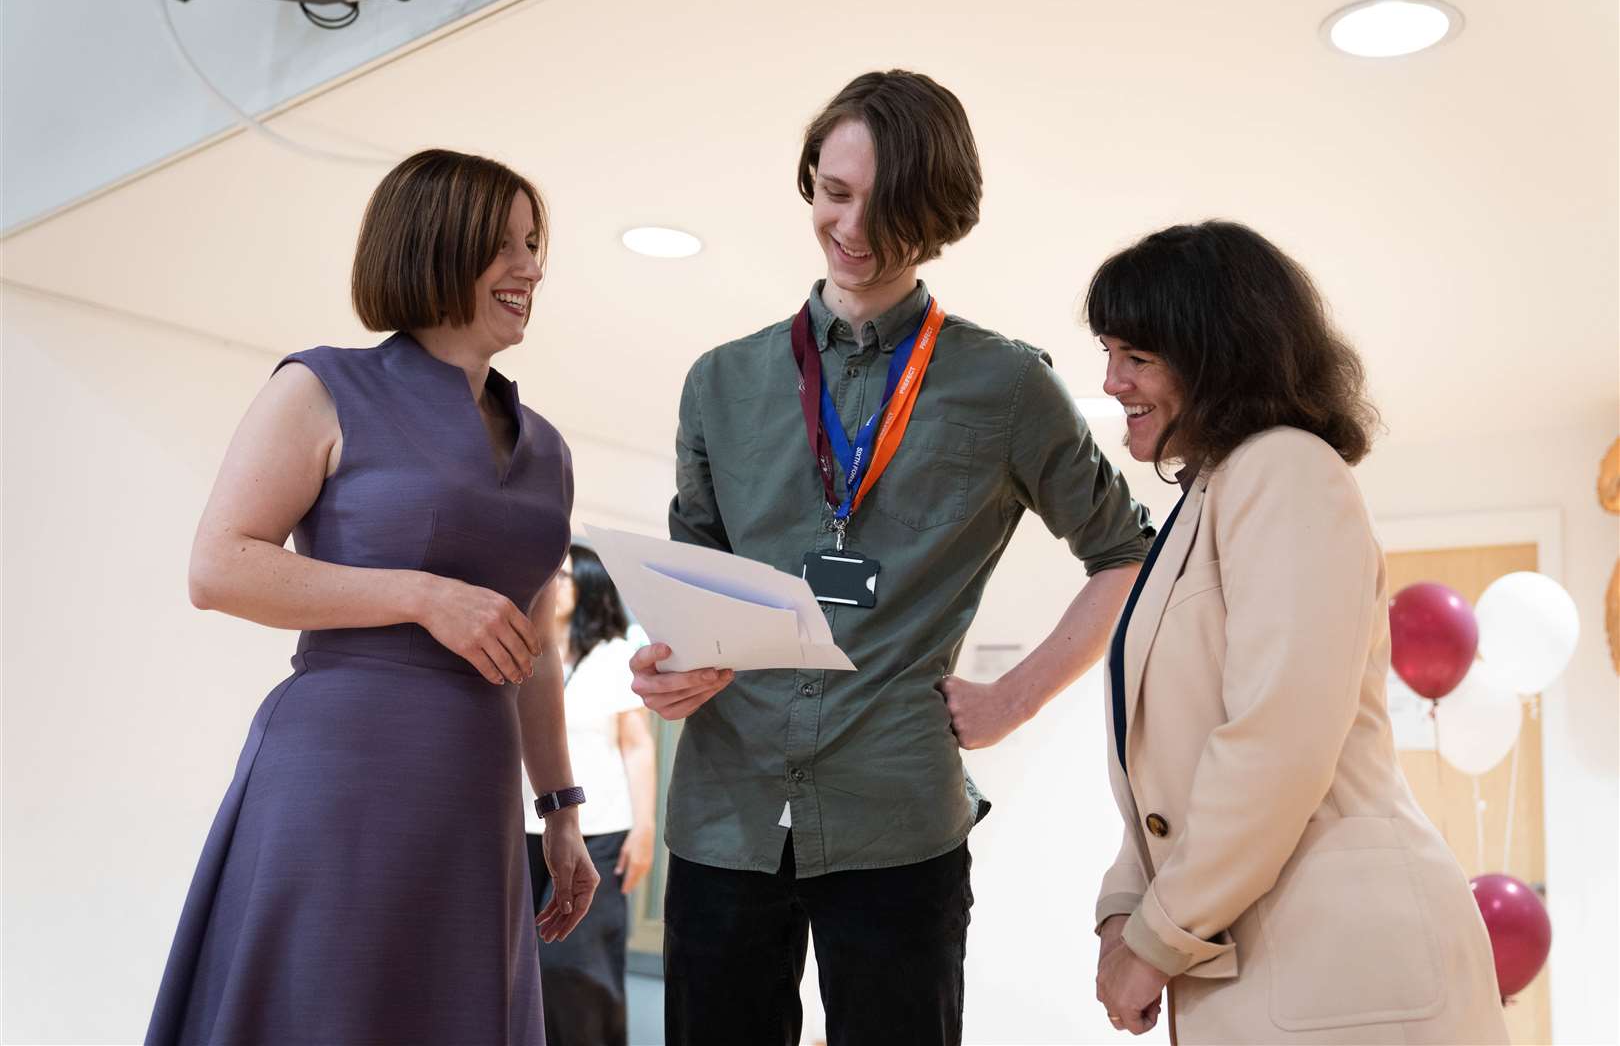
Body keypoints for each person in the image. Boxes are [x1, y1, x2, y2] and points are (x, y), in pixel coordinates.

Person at [630, 69, 1154, 1046]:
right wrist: (672, 663)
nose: (853, 229)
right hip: (722, 817)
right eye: (833, 193)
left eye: (887, 204)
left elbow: (1127, 556)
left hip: (899, 824)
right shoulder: (721, 383)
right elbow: (694, 587)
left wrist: (1016, 698)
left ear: (940, 209)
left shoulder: (1005, 384)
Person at [146, 148, 598, 1046]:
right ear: (436, 249)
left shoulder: (546, 448)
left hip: (475, 789)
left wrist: (561, 810)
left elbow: (536, 641)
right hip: (340, 770)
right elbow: (220, 565)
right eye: (504, 246)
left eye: (534, 245)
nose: (531, 268)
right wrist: (423, 596)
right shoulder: (321, 387)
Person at [1086, 220, 1509, 1043]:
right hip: (1278, 970)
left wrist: (1155, 936)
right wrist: (1123, 907)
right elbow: (1167, 771)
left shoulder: (1285, 468)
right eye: (1108, 352)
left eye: (1136, 356)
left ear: (1217, 357)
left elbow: (1276, 740)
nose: (1109, 381)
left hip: (1344, 973)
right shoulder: (1206, 498)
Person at [525, 543, 657, 1046]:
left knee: (576, 965)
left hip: (598, 829)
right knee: (521, 966)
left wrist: (643, 828)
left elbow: (638, 747)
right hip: (520, 829)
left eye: (561, 576)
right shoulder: (521, 646)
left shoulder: (617, 654)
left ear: (585, 588)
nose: (549, 583)